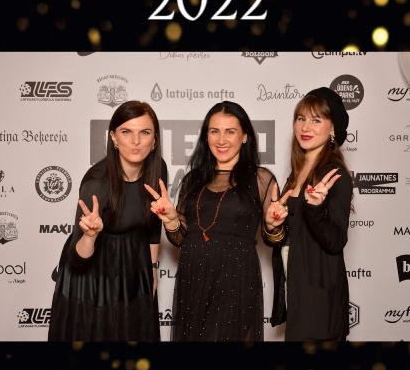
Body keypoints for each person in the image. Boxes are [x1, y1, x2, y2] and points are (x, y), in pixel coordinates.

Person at [147, 101, 278, 343]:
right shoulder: (192, 179)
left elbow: (273, 238)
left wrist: (272, 225)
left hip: (236, 278)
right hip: (194, 278)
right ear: (206, 136)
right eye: (214, 131)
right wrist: (173, 221)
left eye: (230, 131)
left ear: (245, 136)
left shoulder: (261, 179)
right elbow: (180, 239)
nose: (221, 140)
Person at [49, 101, 165, 342]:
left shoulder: (157, 169)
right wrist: (90, 236)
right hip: (95, 271)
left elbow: (154, 223)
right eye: (126, 132)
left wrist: (153, 269)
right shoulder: (97, 183)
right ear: (113, 137)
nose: (136, 141)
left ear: (154, 139)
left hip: (134, 262)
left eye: (144, 132)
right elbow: (77, 259)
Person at [263, 87, 355, 342]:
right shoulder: (298, 171)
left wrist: (315, 208)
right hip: (295, 284)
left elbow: (335, 241)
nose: (305, 127)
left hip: (318, 295)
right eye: (301, 118)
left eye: (316, 120)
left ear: (333, 128)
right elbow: (288, 235)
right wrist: (272, 225)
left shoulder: (334, 175)